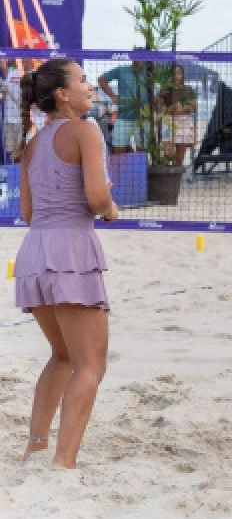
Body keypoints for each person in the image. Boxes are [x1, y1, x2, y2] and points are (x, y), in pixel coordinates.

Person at [14, 59, 119, 468]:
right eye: (82, 80)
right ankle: (63, 462)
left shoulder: (34, 142)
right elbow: (95, 197)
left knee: (61, 356)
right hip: (71, 250)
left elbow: (27, 211)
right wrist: (109, 208)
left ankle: (36, 447)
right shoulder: (85, 131)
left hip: (35, 250)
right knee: (90, 365)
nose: (90, 86)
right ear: (62, 93)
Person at [97, 60, 146, 152]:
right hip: (123, 117)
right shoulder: (122, 70)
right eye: (138, 57)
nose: (140, 60)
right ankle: (120, 167)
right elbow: (101, 79)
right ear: (133, 58)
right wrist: (112, 95)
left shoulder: (149, 72)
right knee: (119, 150)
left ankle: (141, 166)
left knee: (142, 151)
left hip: (143, 118)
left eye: (142, 57)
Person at [159, 63, 196, 167]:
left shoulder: (188, 89)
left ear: (182, 75)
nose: (176, 76)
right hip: (168, 121)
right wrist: (169, 109)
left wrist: (182, 108)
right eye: (174, 73)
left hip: (184, 121)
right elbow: (159, 108)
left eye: (179, 73)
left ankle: (176, 179)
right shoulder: (165, 89)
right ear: (170, 76)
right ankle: (165, 177)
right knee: (167, 153)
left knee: (180, 156)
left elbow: (194, 107)